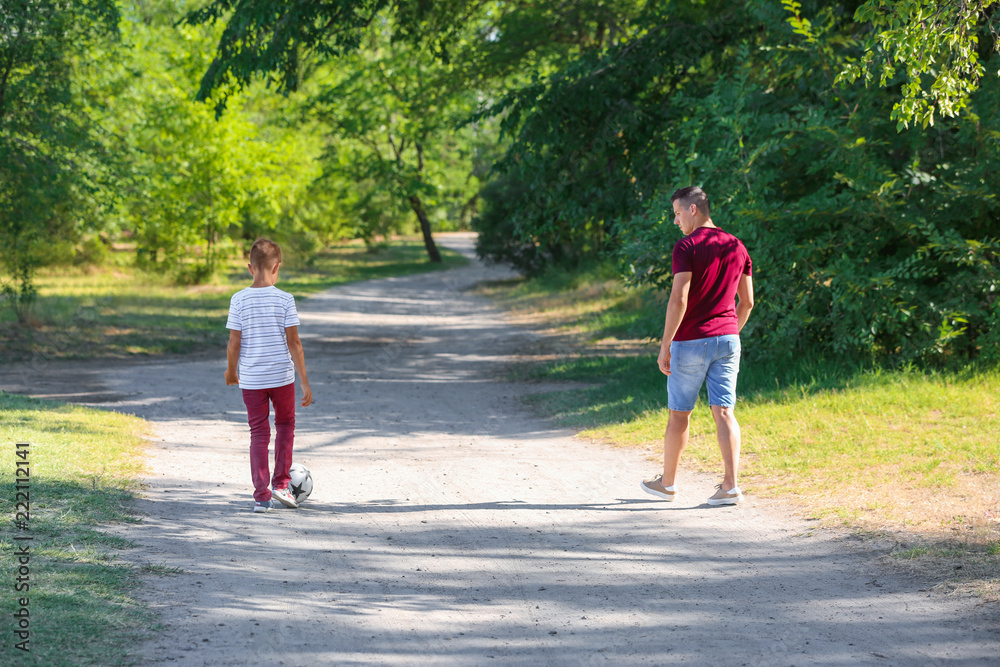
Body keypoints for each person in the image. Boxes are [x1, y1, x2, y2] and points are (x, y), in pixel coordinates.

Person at [640, 186, 754, 505]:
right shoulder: (738, 246)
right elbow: (747, 303)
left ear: (693, 210)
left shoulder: (687, 246)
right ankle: (730, 486)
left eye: (677, 213)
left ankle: (668, 483)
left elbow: (679, 299)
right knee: (725, 412)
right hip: (729, 339)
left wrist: (665, 346)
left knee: (679, 415)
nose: (675, 221)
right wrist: (728, 331)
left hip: (690, 340)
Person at [225, 238, 313, 513]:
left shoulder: (238, 299)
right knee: (285, 426)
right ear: (277, 268)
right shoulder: (285, 299)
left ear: (250, 268)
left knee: (259, 433)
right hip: (282, 378)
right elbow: (294, 343)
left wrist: (231, 371)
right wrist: (304, 381)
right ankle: (282, 485)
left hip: (251, 380)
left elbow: (234, 342)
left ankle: (261, 497)